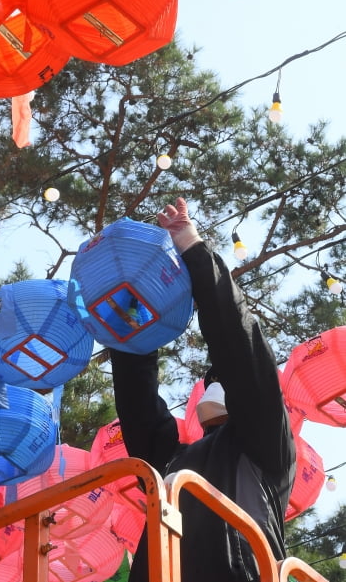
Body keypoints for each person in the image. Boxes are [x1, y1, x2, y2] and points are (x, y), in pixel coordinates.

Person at [110, 198, 296, 582]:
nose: (211, 386)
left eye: (220, 379)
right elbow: (138, 404)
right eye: (208, 382)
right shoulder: (174, 462)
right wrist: (134, 316)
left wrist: (192, 248)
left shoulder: (266, 445)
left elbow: (238, 342)